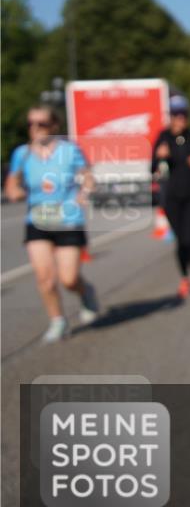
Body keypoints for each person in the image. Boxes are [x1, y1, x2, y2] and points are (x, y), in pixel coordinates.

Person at [4, 104, 101, 342]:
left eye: (42, 124)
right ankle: (58, 320)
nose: (35, 129)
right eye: (31, 124)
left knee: (68, 279)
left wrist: (84, 193)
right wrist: (14, 191)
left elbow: (88, 176)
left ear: (54, 126)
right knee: (45, 278)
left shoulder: (69, 150)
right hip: (37, 220)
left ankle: (85, 291)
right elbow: (11, 183)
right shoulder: (22, 154)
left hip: (69, 220)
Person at [152, 95, 190, 302]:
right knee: (180, 242)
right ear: (170, 117)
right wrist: (160, 156)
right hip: (172, 197)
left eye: (183, 115)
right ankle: (185, 277)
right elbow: (151, 168)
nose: (180, 119)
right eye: (176, 115)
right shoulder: (163, 138)